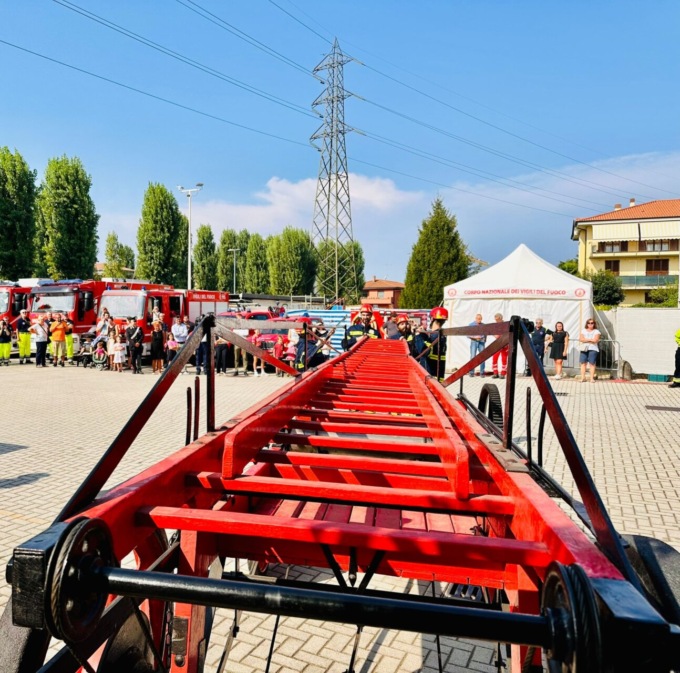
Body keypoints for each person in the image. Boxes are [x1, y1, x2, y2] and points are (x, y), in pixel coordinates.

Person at [424, 306, 449, 381]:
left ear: (432, 319)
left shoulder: (434, 336)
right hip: (439, 374)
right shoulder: (442, 335)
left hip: (430, 373)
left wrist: (420, 336)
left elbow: (423, 351)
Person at [579, 318, 601, 383]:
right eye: (589, 323)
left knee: (592, 363)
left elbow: (596, 340)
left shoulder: (596, 331)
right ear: (587, 324)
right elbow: (581, 339)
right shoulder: (583, 331)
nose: (590, 324)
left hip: (593, 349)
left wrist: (586, 339)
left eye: (592, 323)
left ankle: (591, 378)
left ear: (594, 324)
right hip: (584, 348)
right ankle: (583, 378)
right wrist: (591, 340)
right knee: (583, 363)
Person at [489, 313, 508, 380]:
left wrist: (506, 342)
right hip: (498, 343)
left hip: (505, 344)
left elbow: (508, 334)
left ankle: (503, 373)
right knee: (494, 358)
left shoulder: (506, 325)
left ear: (500, 318)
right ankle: (495, 373)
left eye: (497, 320)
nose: (496, 321)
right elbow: (492, 332)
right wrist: (495, 335)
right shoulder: (496, 325)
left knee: (504, 359)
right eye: (495, 320)